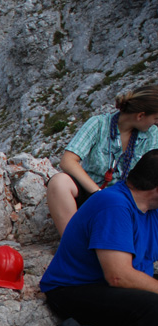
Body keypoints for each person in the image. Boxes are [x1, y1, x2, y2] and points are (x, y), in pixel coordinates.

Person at [40, 149, 158, 326]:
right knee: (153, 310)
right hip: (72, 289)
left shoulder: (150, 210)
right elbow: (118, 275)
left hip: (108, 284)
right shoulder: (114, 205)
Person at [47, 85, 158, 235]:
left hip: (129, 200)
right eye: (155, 118)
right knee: (59, 182)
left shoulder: (153, 135)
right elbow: (68, 161)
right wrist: (98, 193)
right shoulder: (98, 124)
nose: (155, 123)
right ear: (140, 115)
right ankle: (71, 241)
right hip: (92, 194)